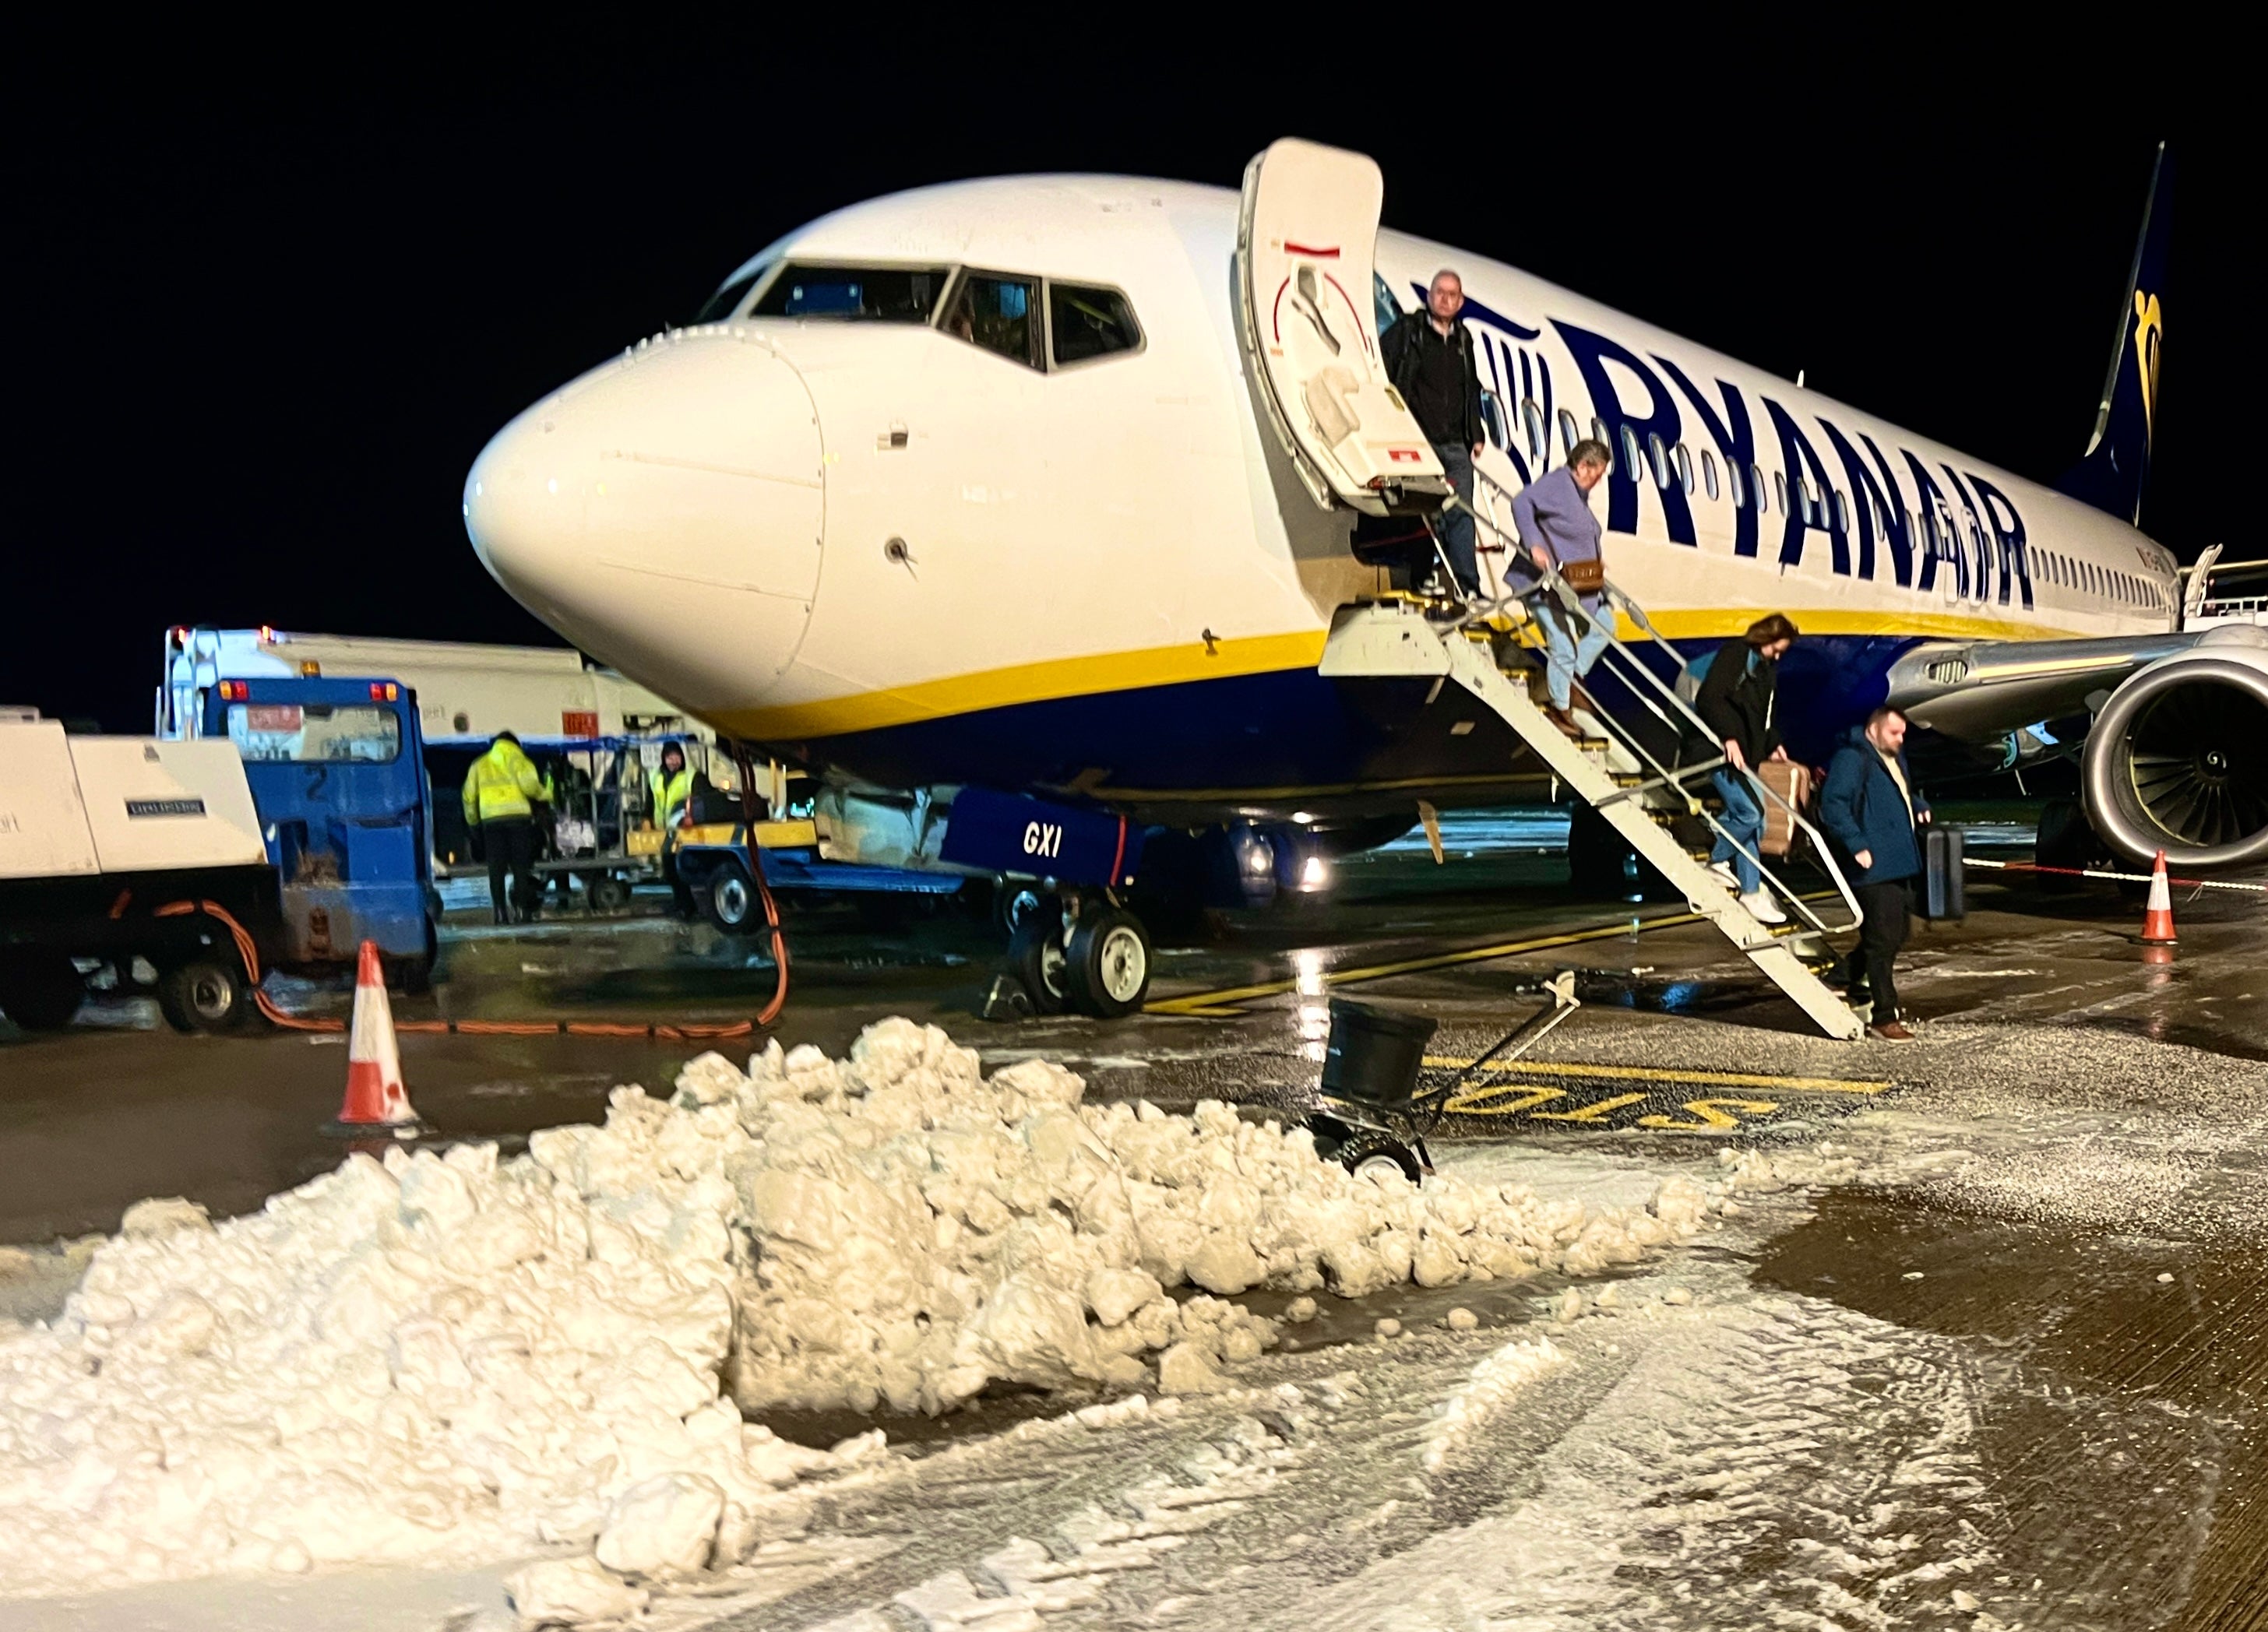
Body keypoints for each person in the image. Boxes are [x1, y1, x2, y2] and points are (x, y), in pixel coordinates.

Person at [1819, 705, 1932, 1042]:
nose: (1900, 740)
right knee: (1882, 939)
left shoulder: (1893, 758)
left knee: (1896, 935)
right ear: (1873, 730)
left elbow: (1899, 793)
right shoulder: (1852, 759)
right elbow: (1834, 803)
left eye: (1902, 734)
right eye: (1894, 733)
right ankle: (1884, 1016)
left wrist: (1919, 806)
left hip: (1899, 861)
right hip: (1873, 865)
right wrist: (1856, 843)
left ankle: (1839, 977)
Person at [1380, 271, 1485, 598]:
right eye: (1440, 292)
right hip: (1419, 439)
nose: (1445, 299)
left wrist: (1476, 433)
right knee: (1421, 512)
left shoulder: (1463, 341)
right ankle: (1421, 576)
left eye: (1452, 294)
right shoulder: (1410, 331)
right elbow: (1382, 366)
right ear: (1429, 296)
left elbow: (1471, 389)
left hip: (1455, 444)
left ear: (1461, 301)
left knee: (1462, 513)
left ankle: (1468, 585)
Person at [1692, 614, 1800, 924]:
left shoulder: (1766, 669)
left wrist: (1773, 743)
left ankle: (1751, 893)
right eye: (1776, 649)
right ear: (1764, 638)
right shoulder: (1736, 654)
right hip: (1718, 752)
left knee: (1759, 821)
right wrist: (1729, 737)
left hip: (1745, 756)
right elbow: (1710, 698)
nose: (1778, 656)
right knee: (1750, 814)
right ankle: (1716, 859)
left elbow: (1764, 716)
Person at [1508, 439, 1615, 736]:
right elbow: (1521, 502)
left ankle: (1569, 679)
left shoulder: (1576, 495)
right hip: (1541, 586)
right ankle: (1559, 707)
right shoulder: (1557, 484)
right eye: (1598, 474)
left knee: (1605, 624)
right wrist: (1535, 545)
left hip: (1572, 587)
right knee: (1563, 647)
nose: (1599, 481)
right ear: (1583, 467)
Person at [461, 730, 552, 924]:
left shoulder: (479, 764)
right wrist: (546, 795)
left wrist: (474, 821)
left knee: (496, 869)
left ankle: (500, 914)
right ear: (515, 744)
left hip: (491, 822)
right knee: (521, 868)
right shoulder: (520, 760)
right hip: (519, 820)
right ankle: (522, 912)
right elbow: (530, 786)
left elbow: (468, 797)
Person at [648, 742, 699, 918]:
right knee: (669, 872)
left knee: (680, 871)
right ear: (664, 758)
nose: (673, 761)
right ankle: (680, 904)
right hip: (664, 831)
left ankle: (687, 907)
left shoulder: (688, 776)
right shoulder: (656, 776)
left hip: (683, 832)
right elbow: (651, 800)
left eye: (676, 756)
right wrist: (646, 820)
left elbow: (696, 799)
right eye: (669, 757)